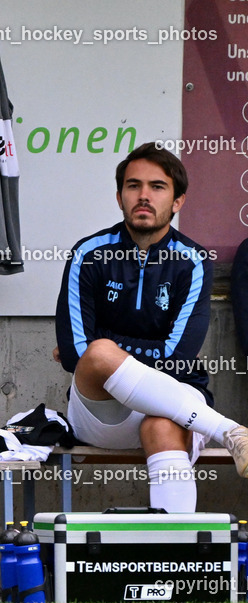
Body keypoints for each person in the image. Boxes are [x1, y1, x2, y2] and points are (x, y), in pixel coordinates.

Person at [54, 143, 248, 512]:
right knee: (97, 354)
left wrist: (109, 347)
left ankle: (175, 561)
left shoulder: (192, 261)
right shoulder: (89, 254)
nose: (144, 196)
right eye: (133, 186)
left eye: (157, 187)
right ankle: (227, 430)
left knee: (159, 422)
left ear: (178, 201)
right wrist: (104, 351)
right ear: (119, 197)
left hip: (174, 402)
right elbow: (76, 354)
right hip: (103, 412)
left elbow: (178, 358)